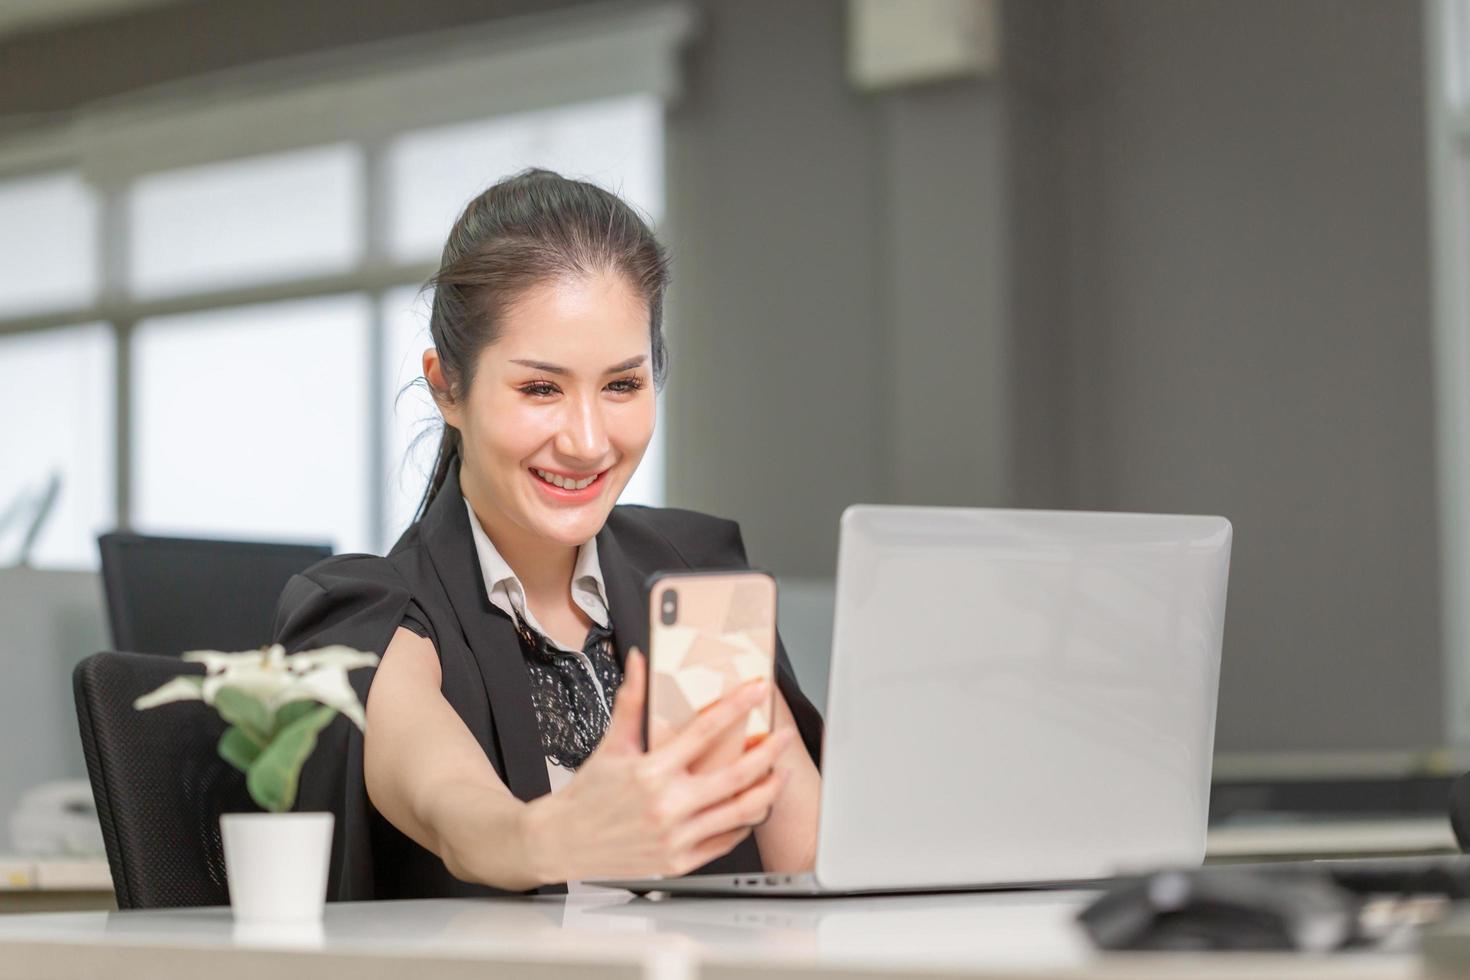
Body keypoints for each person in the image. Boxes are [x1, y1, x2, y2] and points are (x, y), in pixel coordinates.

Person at [272, 168, 824, 899]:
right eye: (541, 388)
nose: (589, 441)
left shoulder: (691, 575)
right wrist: (556, 835)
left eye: (622, 385)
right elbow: (454, 811)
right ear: (447, 387)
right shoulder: (369, 612)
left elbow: (817, 877)